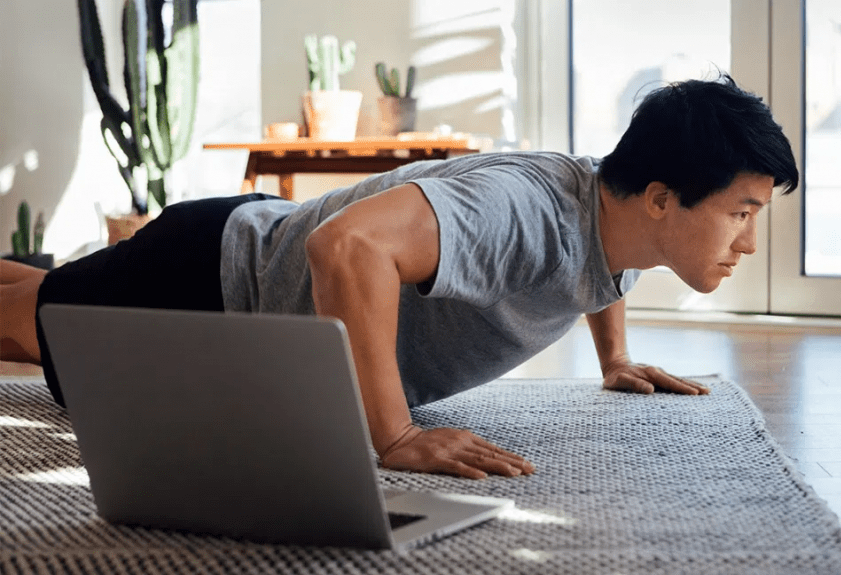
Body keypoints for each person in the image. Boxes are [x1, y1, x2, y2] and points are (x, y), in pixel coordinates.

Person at [0, 74, 798, 480]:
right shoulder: (524, 213)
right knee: (22, 325)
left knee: (30, 294)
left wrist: (613, 357)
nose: (750, 242)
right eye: (741, 212)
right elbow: (345, 250)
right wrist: (395, 433)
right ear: (662, 198)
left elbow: (606, 260)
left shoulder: (614, 210)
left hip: (228, 256)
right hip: (211, 287)